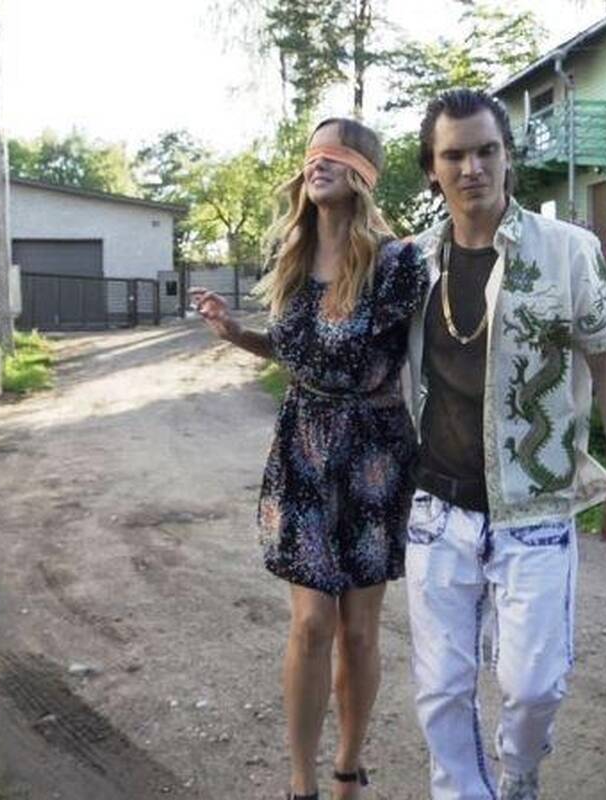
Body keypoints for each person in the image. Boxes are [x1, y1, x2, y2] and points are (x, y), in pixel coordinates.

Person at [404, 89, 606, 800]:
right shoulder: (411, 263)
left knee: (535, 686)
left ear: (508, 156)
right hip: (437, 509)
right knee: (442, 690)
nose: (472, 168)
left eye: (487, 150)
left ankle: (519, 774)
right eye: (454, 155)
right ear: (432, 170)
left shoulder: (568, 252)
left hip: (535, 508)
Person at [191, 117, 427, 800]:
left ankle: (348, 766)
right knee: (311, 621)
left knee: (359, 631)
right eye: (312, 154)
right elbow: (299, 351)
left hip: (376, 455)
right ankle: (302, 782)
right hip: (303, 448)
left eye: (334, 153)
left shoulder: (396, 263)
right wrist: (238, 334)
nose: (317, 162)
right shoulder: (293, 258)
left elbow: (429, 353)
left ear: (362, 173)